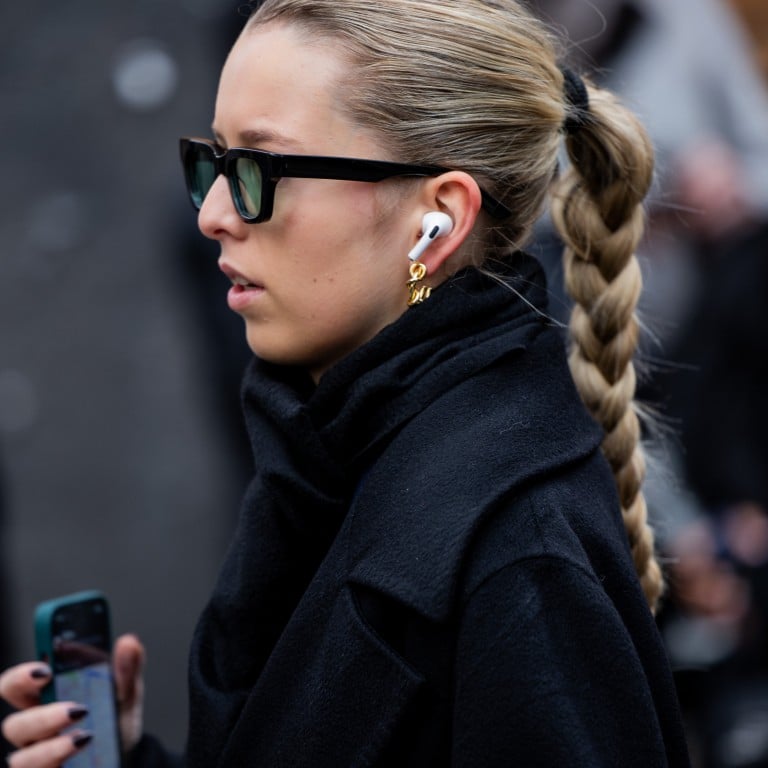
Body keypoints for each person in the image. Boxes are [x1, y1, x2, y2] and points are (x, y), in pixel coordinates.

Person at [0, 1, 691, 765]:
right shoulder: (327, 458)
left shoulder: (517, 558)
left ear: (437, 220)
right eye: (216, 162)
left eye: (261, 169)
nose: (216, 214)